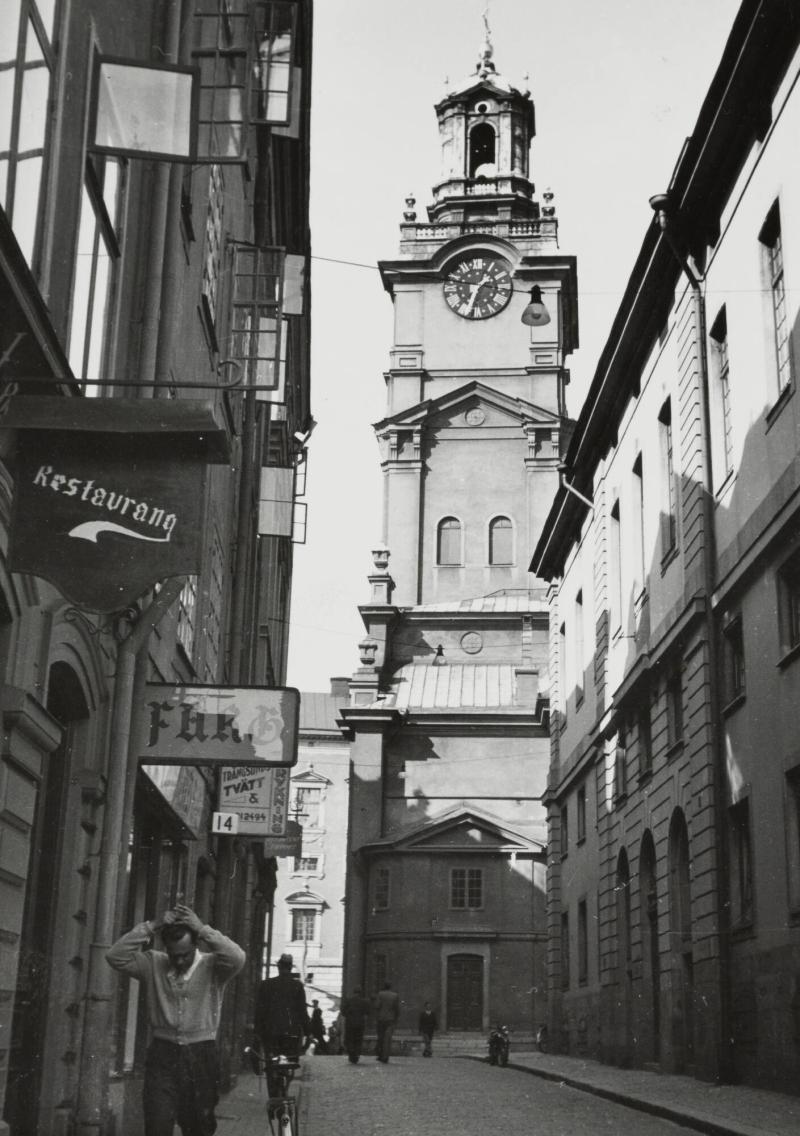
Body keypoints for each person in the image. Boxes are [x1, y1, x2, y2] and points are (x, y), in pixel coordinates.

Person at [106, 903, 245, 1136]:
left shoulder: (213, 966)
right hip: (162, 1056)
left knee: (199, 1128)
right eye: (173, 955)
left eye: (185, 955)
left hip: (202, 1056)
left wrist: (202, 929)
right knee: (157, 1125)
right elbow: (115, 956)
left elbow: (238, 957)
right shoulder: (153, 963)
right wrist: (152, 926)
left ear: (196, 947)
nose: (179, 961)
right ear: (166, 950)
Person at [255, 953, 311, 1095]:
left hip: (271, 1033)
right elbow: (302, 1012)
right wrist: (308, 1033)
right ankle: (284, 1087)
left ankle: (274, 1093)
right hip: (291, 1034)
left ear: (278, 967)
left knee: (271, 1064)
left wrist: (258, 1032)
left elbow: (259, 1011)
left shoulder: (266, 984)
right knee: (289, 1063)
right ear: (291, 968)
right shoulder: (297, 986)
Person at [340, 985, 371, 1063]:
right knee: (358, 1039)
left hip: (350, 1023)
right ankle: (356, 1054)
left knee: (350, 1039)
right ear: (360, 993)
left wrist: (348, 1015)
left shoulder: (348, 1001)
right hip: (360, 1023)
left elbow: (343, 1011)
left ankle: (352, 1054)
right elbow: (368, 1012)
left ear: (354, 992)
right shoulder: (364, 1001)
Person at [374, 981, 400, 1063]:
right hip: (390, 1019)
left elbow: (377, 1006)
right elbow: (397, 1008)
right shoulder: (395, 995)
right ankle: (386, 1056)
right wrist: (396, 1017)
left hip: (381, 1019)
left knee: (381, 1038)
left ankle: (380, 1054)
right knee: (387, 1039)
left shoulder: (380, 994)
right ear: (390, 987)